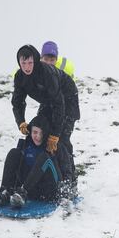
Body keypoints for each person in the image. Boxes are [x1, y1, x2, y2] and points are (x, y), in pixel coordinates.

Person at [0, 115, 69, 208]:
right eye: (35, 132)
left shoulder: (55, 146)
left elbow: (67, 171)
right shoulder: (27, 145)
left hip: (50, 191)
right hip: (32, 190)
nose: (38, 137)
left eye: (42, 133)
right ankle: (5, 191)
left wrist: (66, 193)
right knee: (14, 152)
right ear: (30, 131)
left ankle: (23, 192)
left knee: (45, 157)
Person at [11, 44, 65, 157]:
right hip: (48, 101)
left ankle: (67, 173)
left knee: (62, 137)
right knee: (41, 128)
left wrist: (55, 134)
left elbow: (59, 104)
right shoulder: (20, 77)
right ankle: (41, 164)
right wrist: (20, 121)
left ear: (35, 60)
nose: (27, 67)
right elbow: (17, 102)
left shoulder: (46, 73)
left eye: (30, 63)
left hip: (67, 98)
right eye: (23, 63)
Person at [39, 41, 79, 191]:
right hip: (51, 107)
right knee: (43, 138)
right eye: (46, 58)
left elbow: (67, 94)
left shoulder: (64, 68)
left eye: (52, 59)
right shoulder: (38, 69)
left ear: (56, 59)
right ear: (41, 58)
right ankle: (50, 178)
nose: (49, 62)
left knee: (63, 142)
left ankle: (70, 182)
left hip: (68, 109)